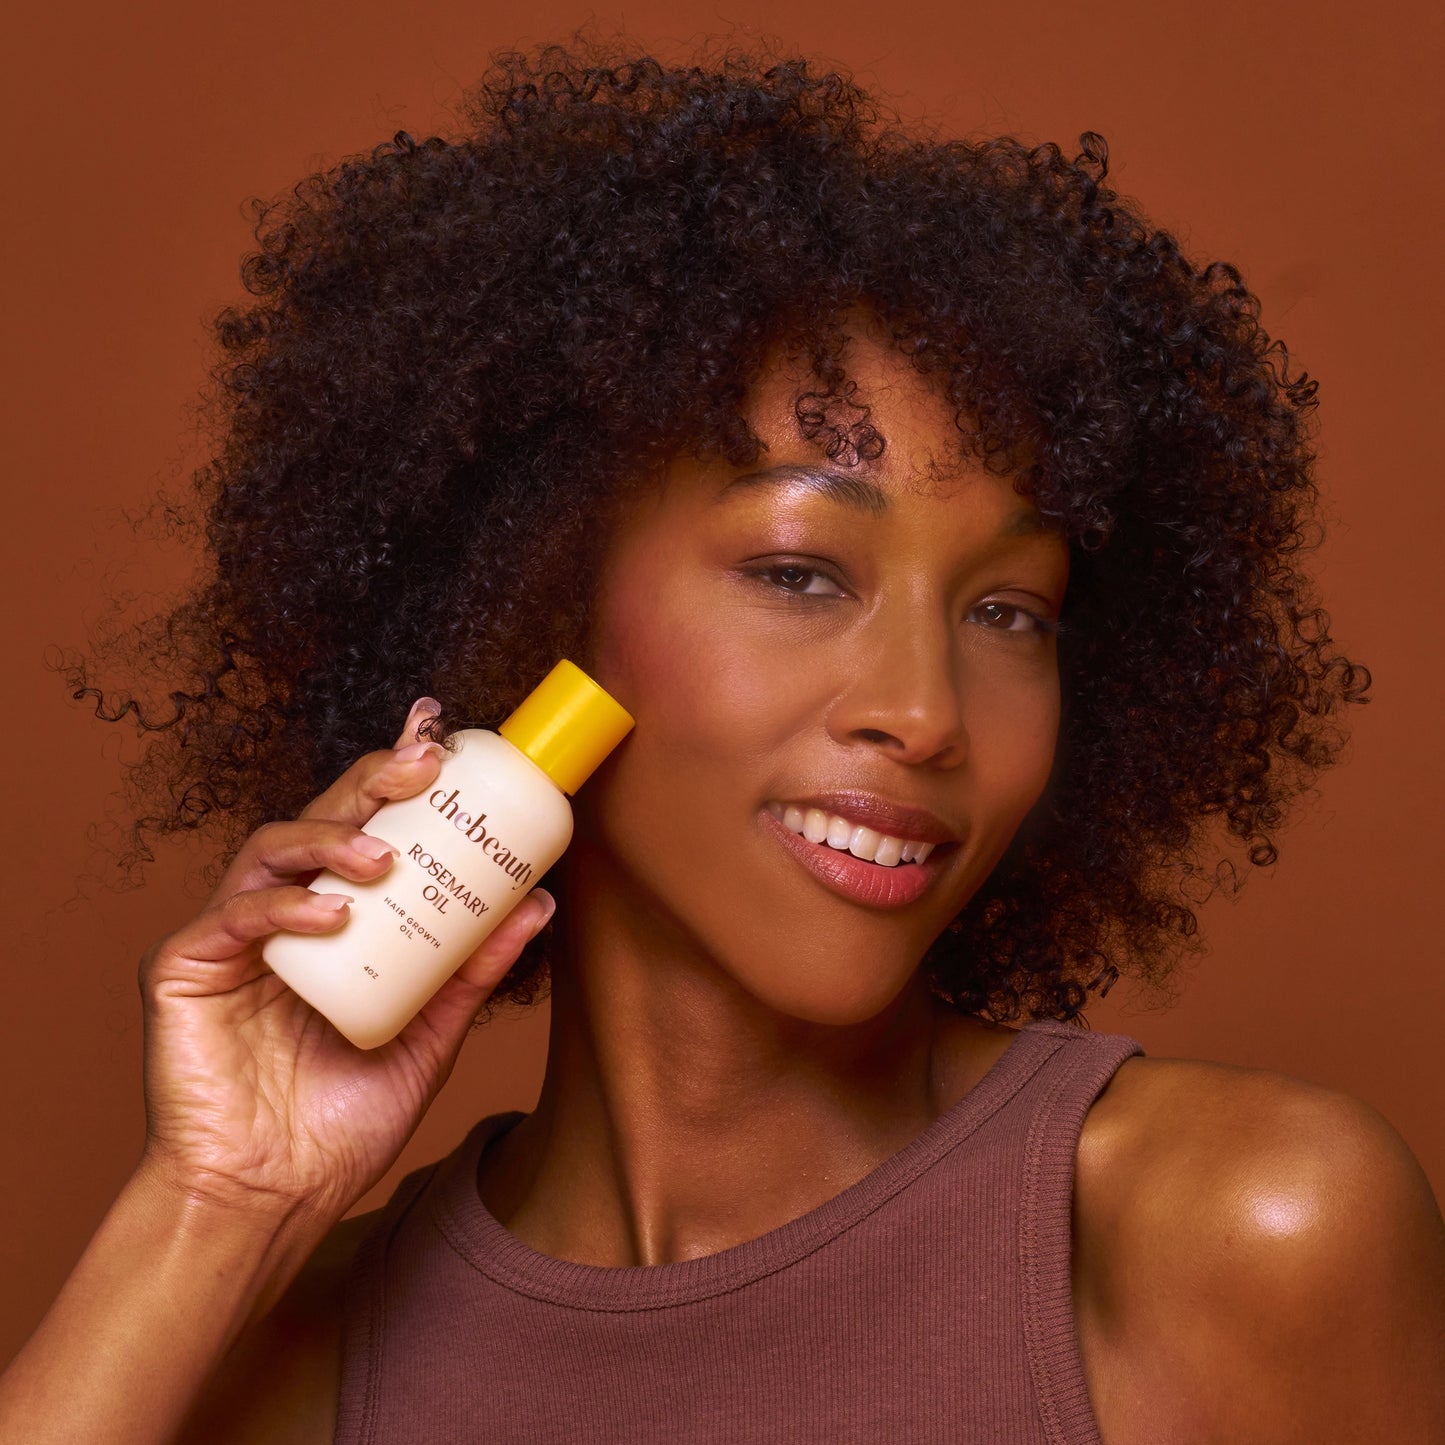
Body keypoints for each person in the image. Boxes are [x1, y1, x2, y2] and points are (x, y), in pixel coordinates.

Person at [3, 40, 1441, 1444]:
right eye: (800, 574)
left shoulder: (1236, 1237)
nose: (927, 711)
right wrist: (217, 1204)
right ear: (533, 604)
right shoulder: (283, 1363)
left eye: (1009, 611)